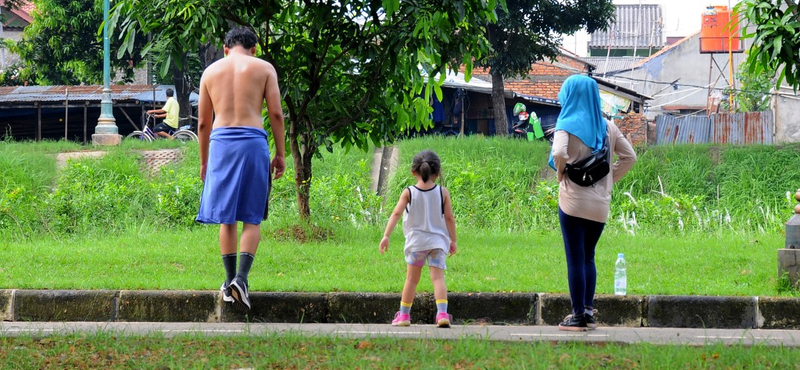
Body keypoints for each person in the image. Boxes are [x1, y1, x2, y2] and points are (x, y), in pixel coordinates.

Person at [195, 26, 286, 313]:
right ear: (254, 48)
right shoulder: (264, 68)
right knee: (252, 216)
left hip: (221, 143)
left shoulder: (210, 72)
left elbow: (202, 124)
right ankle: (241, 280)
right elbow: (276, 114)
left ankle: (227, 282)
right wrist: (280, 154)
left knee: (227, 217)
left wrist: (204, 161)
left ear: (225, 48)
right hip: (252, 143)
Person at [549, 74, 637, 331]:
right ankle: (587, 312)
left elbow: (558, 153)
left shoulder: (565, 124)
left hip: (573, 202)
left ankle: (577, 317)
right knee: (588, 256)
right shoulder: (608, 126)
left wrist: (560, 173)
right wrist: (609, 179)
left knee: (575, 258)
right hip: (600, 205)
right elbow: (630, 157)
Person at [379, 150, 457, 328]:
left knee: (411, 280)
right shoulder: (442, 192)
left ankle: (404, 316)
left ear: (413, 171)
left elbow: (396, 213)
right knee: (438, 278)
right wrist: (453, 240)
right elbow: (450, 218)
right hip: (437, 243)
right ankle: (442, 314)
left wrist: (386, 235)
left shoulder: (409, 192)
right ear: (437, 173)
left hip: (416, 244)